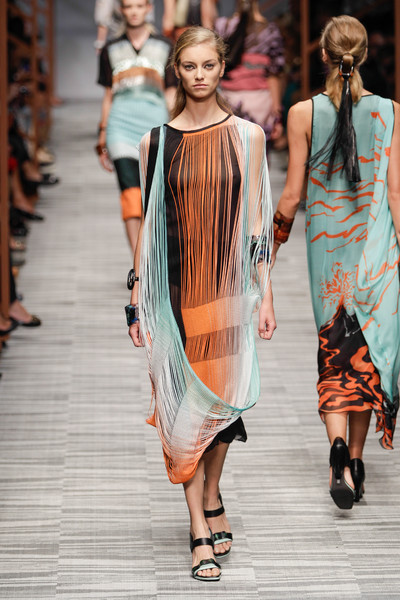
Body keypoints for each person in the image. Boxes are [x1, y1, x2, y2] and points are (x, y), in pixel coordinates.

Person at [126, 26, 276, 580]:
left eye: (208, 65)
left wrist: (266, 293)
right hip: (175, 293)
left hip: (229, 289)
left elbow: (256, 220)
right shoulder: (155, 143)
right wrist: (136, 296)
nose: (199, 75)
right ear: (177, 71)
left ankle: (212, 491)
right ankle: (198, 526)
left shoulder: (248, 136)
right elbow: (150, 226)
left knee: (223, 403)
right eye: (189, 66)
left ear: (222, 67)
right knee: (183, 409)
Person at [272, 15, 400, 510]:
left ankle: (338, 450)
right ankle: (358, 461)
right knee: (366, 352)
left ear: (323, 55)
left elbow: (291, 195)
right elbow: (395, 193)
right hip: (377, 252)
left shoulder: (303, 113)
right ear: (363, 56)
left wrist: (271, 246)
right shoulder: (390, 112)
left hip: (328, 255)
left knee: (334, 348)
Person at [96, 0, 176, 255]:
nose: (134, 11)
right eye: (129, 6)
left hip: (156, 126)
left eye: (139, 6)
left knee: (156, 194)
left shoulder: (166, 46)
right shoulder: (110, 48)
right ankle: (138, 261)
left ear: (149, 8)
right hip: (120, 126)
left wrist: (177, 127)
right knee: (130, 194)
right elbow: (108, 95)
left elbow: (171, 92)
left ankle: (153, 254)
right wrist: (102, 134)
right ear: (121, 10)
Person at [214, 0, 285, 147]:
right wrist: (277, 116)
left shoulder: (222, 26)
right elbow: (274, 74)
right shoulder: (269, 30)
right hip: (260, 104)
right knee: (257, 155)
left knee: (229, 153)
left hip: (228, 101)